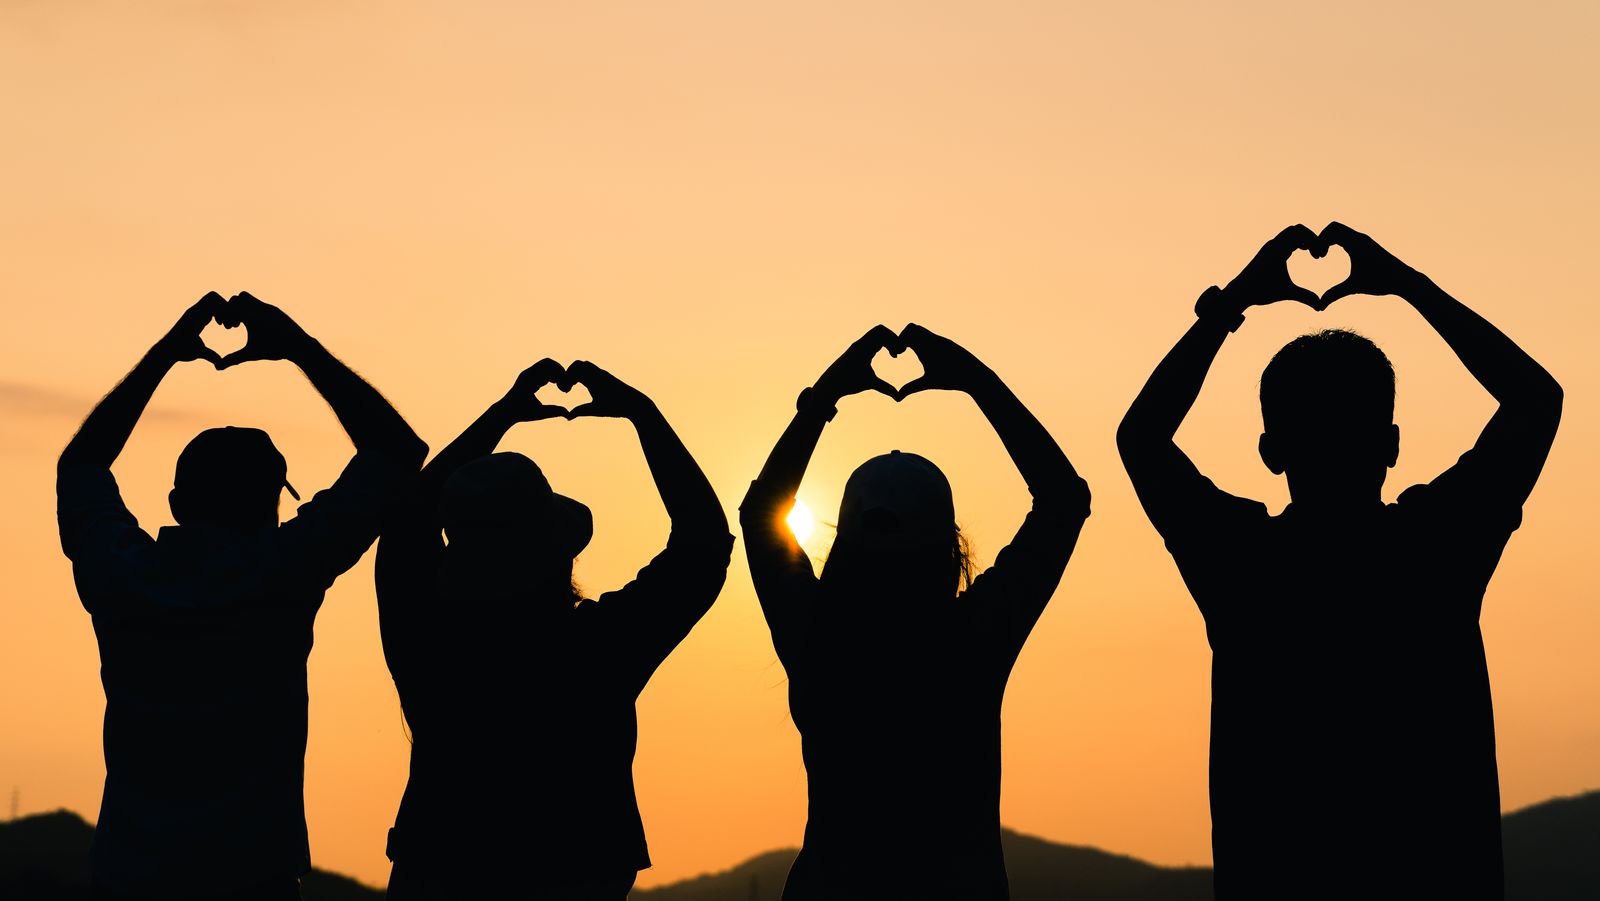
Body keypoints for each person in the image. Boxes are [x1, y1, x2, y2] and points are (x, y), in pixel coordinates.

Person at [1117, 223, 1563, 899]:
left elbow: (1142, 437)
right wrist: (1410, 286)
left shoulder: (1239, 561)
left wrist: (1233, 303)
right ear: (1391, 444)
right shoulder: (1440, 544)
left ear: (1271, 451)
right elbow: (1535, 399)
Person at [56, 292, 428, 900]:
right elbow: (397, 452)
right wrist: (297, 348)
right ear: (272, 505)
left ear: (177, 504)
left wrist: (165, 355)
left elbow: (81, 465)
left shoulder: (122, 573)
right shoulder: (287, 568)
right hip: (253, 875)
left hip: (129, 874)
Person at [741, 324, 1090, 900]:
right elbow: (1064, 501)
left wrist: (825, 397)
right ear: (949, 547)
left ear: (845, 542)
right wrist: (977, 382)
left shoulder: (817, 635)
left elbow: (760, 514)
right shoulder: (972, 639)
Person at [375, 358, 732, 899]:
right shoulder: (598, 649)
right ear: (557, 550)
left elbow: (408, 518)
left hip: (436, 865)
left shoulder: (424, 631)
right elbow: (702, 545)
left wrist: (500, 415)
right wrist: (642, 413)